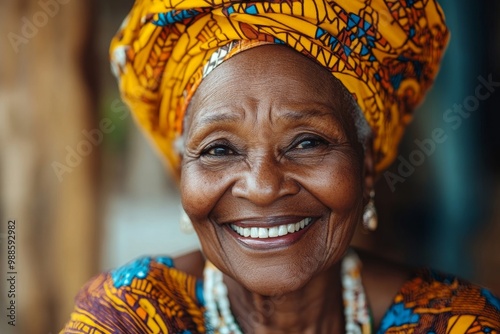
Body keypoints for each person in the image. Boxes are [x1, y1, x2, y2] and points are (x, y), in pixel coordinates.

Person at [62, 0, 500, 333]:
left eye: (307, 142)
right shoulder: (128, 317)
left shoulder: (456, 321)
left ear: (365, 167)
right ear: (182, 175)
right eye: (219, 150)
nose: (263, 186)